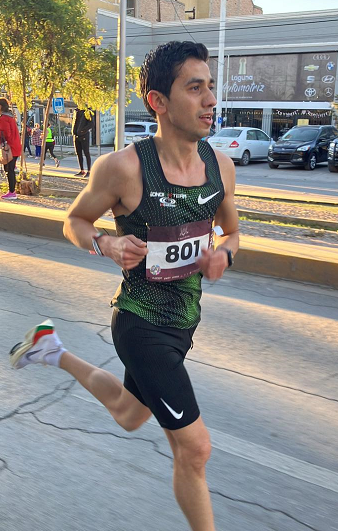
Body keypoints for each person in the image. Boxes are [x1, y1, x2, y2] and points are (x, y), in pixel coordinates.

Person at [8, 41, 239, 531]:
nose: (210, 100)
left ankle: (50, 349)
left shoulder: (221, 167)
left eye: (211, 87)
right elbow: (75, 222)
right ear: (158, 101)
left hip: (184, 325)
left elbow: (234, 232)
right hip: (139, 322)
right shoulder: (124, 168)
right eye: (194, 88)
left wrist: (223, 254)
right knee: (194, 449)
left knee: (130, 414)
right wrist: (107, 246)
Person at [0, 98, 22, 200]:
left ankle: (12, 192)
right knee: (9, 168)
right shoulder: (10, 117)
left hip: (10, 148)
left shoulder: (4, 118)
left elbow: (6, 134)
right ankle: (11, 191)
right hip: (15, 146)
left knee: (9, 169)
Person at [72, 107, 94, 176]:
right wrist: (73, 132)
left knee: (86, 153)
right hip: (76, 135)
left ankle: (89, 171)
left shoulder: (87, 111)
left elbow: (91, 123)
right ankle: (82, 170)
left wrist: (83, 130)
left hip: (84, 136)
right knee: (78, 153)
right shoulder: (76, 111)